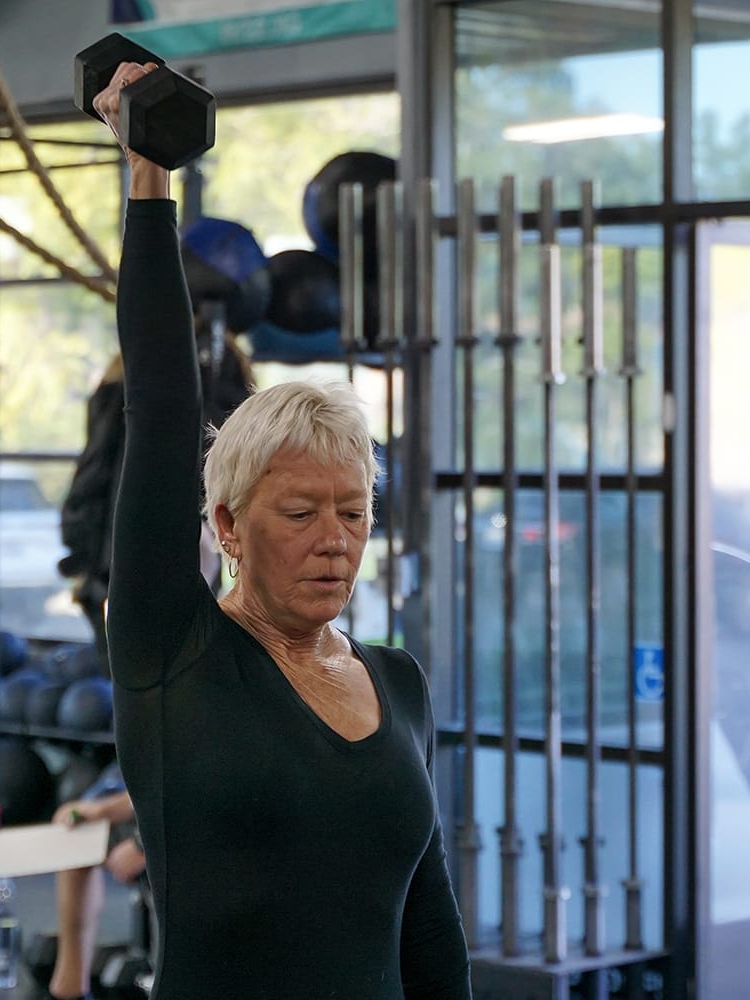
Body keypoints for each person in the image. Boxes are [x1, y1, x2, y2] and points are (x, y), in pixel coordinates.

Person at [90, 61, 472, 999]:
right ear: (225, 523)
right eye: (300, 514)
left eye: (353, 512)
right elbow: (162, 405)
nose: (335, 538)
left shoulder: (400, 683)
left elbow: (431, 928)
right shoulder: (171, 651)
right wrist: (149, 180)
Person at [58, 296, 254, 671]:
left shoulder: (129, 377)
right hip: (154, 550)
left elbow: (93, 469)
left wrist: (82, 551)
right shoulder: (207, 370)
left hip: (137, 551)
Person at [38, 765, 146, 1000]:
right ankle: (70, 991)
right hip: (164, 814)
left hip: (212, 825)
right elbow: (152, 780)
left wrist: (144, 843)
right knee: (76, 830)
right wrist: (98, 808)